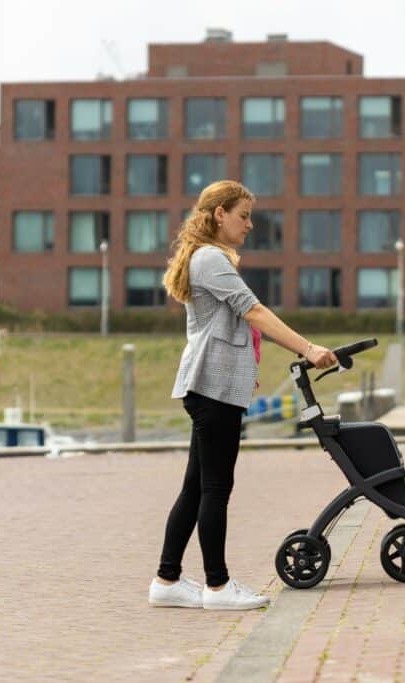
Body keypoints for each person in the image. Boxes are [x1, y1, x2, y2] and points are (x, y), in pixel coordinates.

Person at [149, 180, 337, 611]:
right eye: (244, 216)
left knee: (196, 488)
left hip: (210, 386)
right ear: (220, 214)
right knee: (216, 488)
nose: (250, 225)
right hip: (213, 389)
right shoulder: (210, 259)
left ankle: (167, 579)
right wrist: (308, 348)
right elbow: (254, 311)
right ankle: (218, 587)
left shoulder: (206, 257)